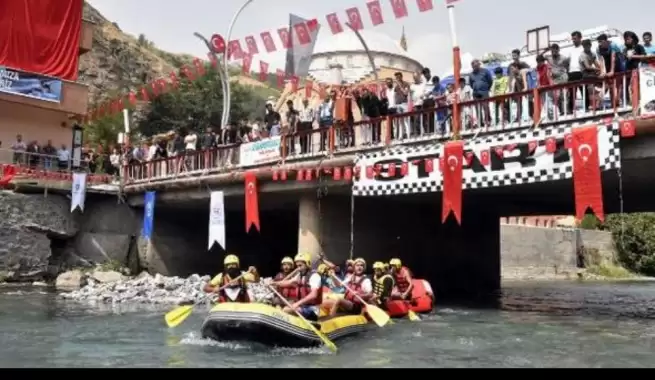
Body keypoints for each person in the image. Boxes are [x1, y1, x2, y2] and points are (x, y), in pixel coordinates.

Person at [272, 253, 323, 321]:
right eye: (297, 266)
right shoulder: (299, 275)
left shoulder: (314, 276)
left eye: (300, 265)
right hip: (303, 306)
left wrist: (297, 303)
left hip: (312, 309)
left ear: (307, 264)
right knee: (282, 308)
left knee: (286, 310)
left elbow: (313, 295)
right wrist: (274, 283)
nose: (298, 268)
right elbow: (288, 282)